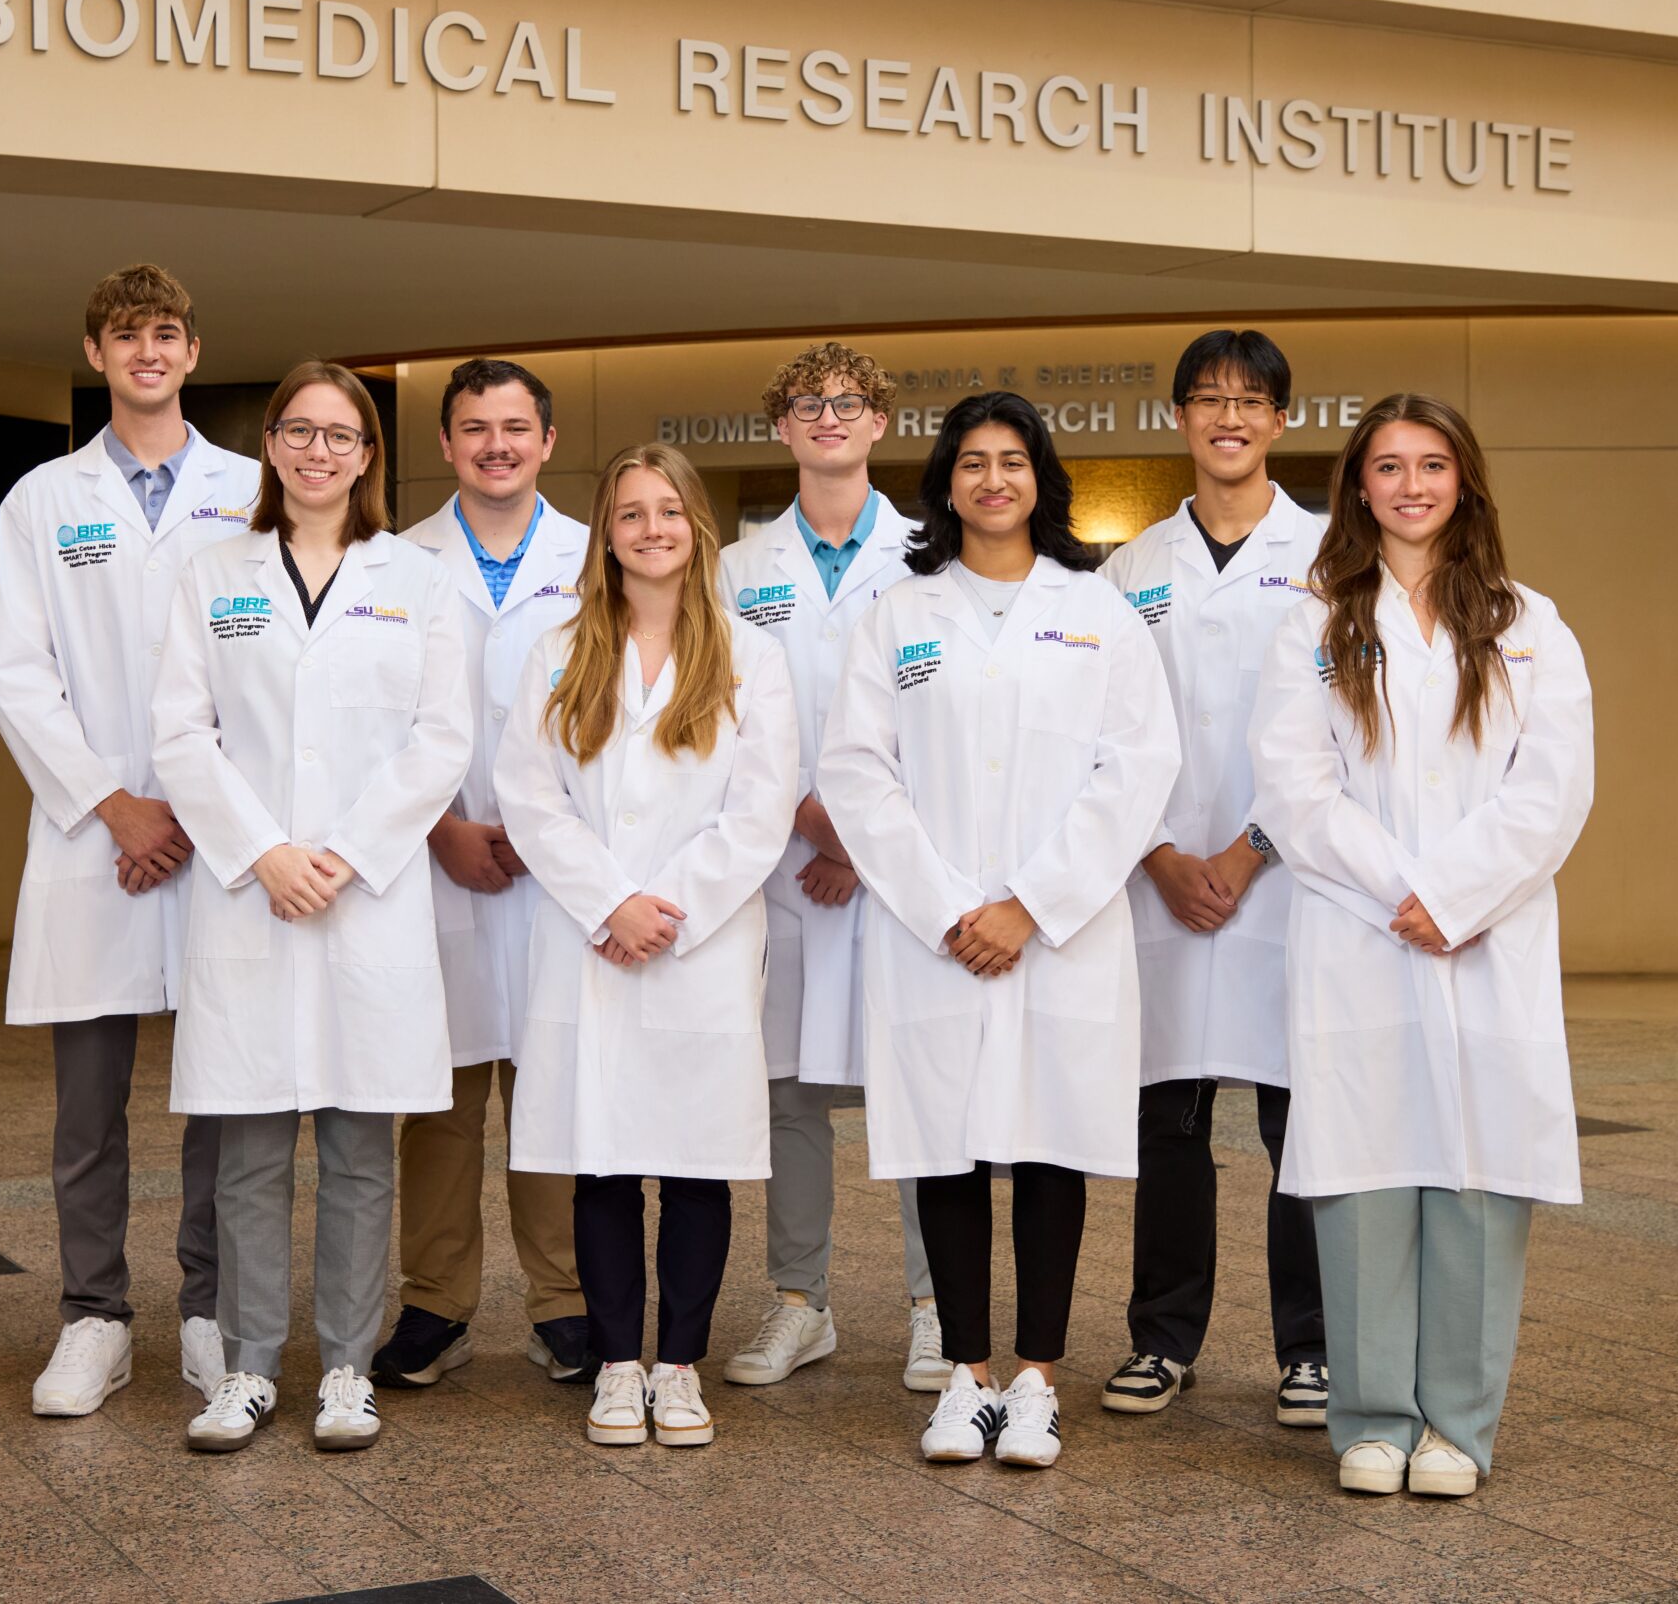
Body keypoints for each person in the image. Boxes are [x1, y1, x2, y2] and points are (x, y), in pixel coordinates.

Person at [816, 392, 1179, 1470]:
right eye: (971, 461)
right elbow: (855, 769)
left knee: (1051, 1142)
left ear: (1040, 479)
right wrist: (945, 907)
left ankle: (1036, 1382)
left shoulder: (1097, 610)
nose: (992, 479)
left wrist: (1031, 904)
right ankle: (965, 1377)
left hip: (1058, 931)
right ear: (945, 483)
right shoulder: (899, 613)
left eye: (1012, 460)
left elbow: (1138, 768)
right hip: (933, 932)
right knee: (952, 1147)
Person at [1248, 392, 1593, 1499]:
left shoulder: (1529, 623)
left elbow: (1553, 789)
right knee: (1365, 1178)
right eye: (1388, 465)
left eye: (1431, 464)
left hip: (1484, 935)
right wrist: (1407, 891)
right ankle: (1371, 1419)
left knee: (1478, 1180)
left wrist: (1455, 895)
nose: (1410, 485)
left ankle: (1457, 1425)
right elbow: (1293, 788)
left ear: (1463, 480)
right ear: (1359, 486)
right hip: (1361, 932)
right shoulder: (1312, 623)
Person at [150, 361, 473, 1454]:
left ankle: (345, 1368)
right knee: (246, 1153)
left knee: (358, 1149)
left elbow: (442, 738)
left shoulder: (415, 578)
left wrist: (341, 853)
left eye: (340, 435)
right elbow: (180, 734)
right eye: (298, 430)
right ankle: (247, 1370)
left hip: (362, 897)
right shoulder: (212, 574)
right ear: (271, 444)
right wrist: (263, 853)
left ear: (368, 454)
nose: (318, 451)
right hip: (253, 897)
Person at [0, 263, 259, 1418]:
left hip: (218, 840)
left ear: (193, 350)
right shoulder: (42, 500)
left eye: (166, 332)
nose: (148, 350)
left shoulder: (253, 490)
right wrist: (118, 803)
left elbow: (271, 673)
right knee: (88, 1109)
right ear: (95, 353)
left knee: (222, 1093)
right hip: (97, 841)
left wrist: (193, 808)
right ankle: (94, 1317)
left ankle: (209, 1310)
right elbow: (18, 676)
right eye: (125, 333)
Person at [493, 443, 798, 1449]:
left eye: (668, 510)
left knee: (698, 1160)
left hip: (699, 943)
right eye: (630, 513)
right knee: (603, 1157)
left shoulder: (752, 657)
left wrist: (664, 908)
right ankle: (619, 1364)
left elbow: (760, 812)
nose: (650, 529)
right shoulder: (559, 650)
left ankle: (680, 1367)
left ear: (697, 527)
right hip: (591, 940)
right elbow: (528, 796)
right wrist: (609, 903)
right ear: (607, 533)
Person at [1096, 330, 1329, 1427]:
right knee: (1169, 1125)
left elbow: (1340, 731)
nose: (1228, 417)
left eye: (1249, 400)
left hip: (1287, 879)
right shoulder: (1129, 571)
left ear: (1281, 418)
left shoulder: (1331, 557)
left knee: (1300, 1124)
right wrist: (1158, 854)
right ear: (1180, 416)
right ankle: (1161, 1337)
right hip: (1161, 883)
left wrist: (1245, 852)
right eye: (1207, 398)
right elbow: (1099, 736)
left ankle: (1312, 1349)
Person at [715, 343, 946, 1394]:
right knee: (790, 1094)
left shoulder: (929, 555)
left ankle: (935, 1306)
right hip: (783, 864)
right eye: (807, 403)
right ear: (781, 426)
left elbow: (942, 718)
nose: (828, 417)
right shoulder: (737, 567)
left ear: (879, 422)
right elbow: (724, 713)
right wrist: (810, 819)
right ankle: (800, 1301)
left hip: (897, 866)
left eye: (848, 402)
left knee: (914, 1087)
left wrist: (861, 833)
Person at [383, 359, 592, 1390]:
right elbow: (377, 721)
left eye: (515, 427)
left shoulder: (596, 556)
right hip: (437, 861)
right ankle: (436, 1303)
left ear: (547, 441)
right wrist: (441, 830)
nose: (496, 445)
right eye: (475, 428)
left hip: (562, 871)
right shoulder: (395, 563)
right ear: (446, 443)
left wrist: (547, 832)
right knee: (441, 1099)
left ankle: (567, 1302)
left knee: (555, 1091)